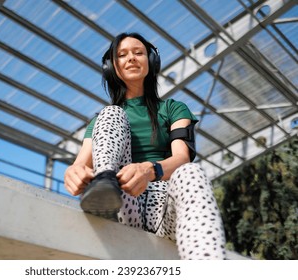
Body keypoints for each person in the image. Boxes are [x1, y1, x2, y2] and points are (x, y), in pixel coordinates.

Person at [64, 32, 226, 260]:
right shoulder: (101, 120)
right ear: (112, 67)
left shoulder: (173, 108)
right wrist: (74, 172)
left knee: (192, 171)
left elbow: (182, 157)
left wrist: (149, 170)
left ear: (151, 62)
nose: (131, 58)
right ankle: (105, 185)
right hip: (122, 199)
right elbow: (79, 163)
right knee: (110, 113)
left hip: (165, 207)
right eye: (122, 55)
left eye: (138, 53)